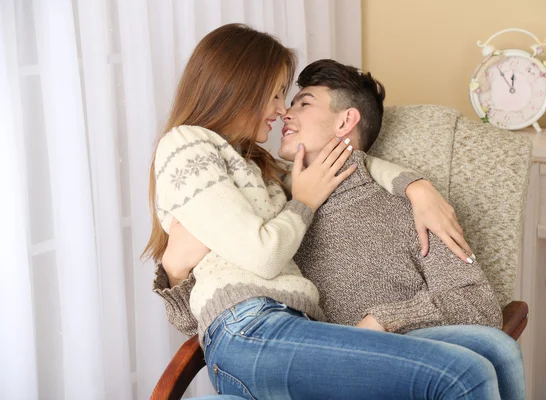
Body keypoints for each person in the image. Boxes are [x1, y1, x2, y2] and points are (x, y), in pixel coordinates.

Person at [148, 24, 504, 399]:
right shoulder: (285, 199)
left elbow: (478, 304)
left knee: (496, 351)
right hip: (266, 336)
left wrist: (417, 186)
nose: (283, 111)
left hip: (313, 340)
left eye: (302, 103)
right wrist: (174, 270)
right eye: (278, 96)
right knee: (467, 372)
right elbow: (205, 310)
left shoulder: (275, 182)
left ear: (345, 120)